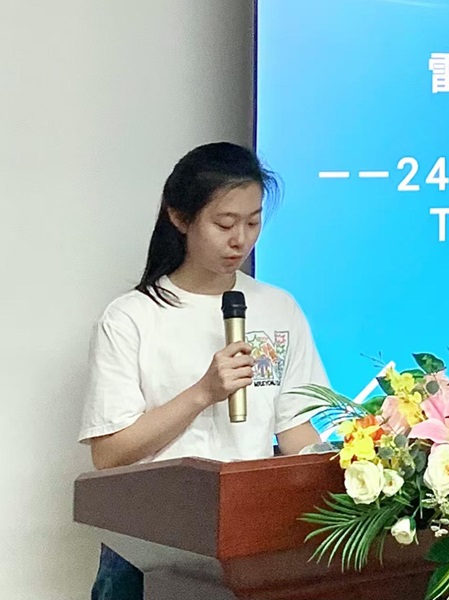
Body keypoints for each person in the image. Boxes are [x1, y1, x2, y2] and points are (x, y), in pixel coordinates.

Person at [78, 142, 328, 599]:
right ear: (180, 218)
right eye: (224, 224)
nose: (241, 240)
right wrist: (202, 393)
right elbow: (109, 454)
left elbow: (295, 430)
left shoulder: (279, 307)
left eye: (253, 222)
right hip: (151, 541)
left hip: (250, 534)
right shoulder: (132, 317)